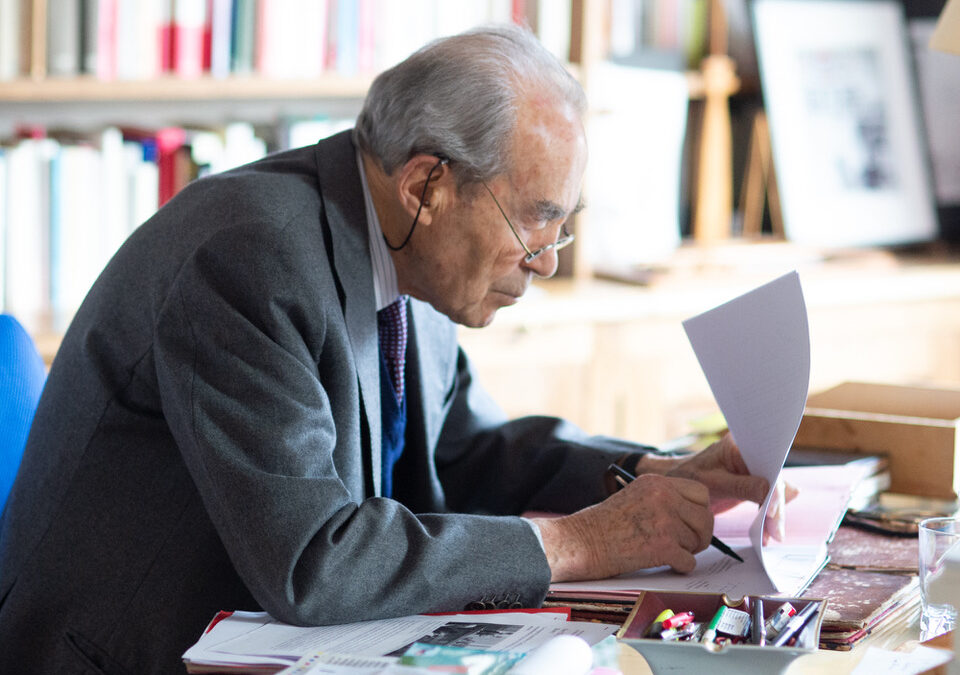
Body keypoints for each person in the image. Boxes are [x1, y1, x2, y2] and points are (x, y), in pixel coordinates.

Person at [0, 25, 772, 674]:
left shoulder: (407, 250)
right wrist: (581, 540)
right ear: (427, 185)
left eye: (559, 225)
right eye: (533, 224)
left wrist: (642, 474)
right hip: (125, 655)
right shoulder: (248, 257)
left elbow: (464, 451)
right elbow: (312, 560)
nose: (547, 261)